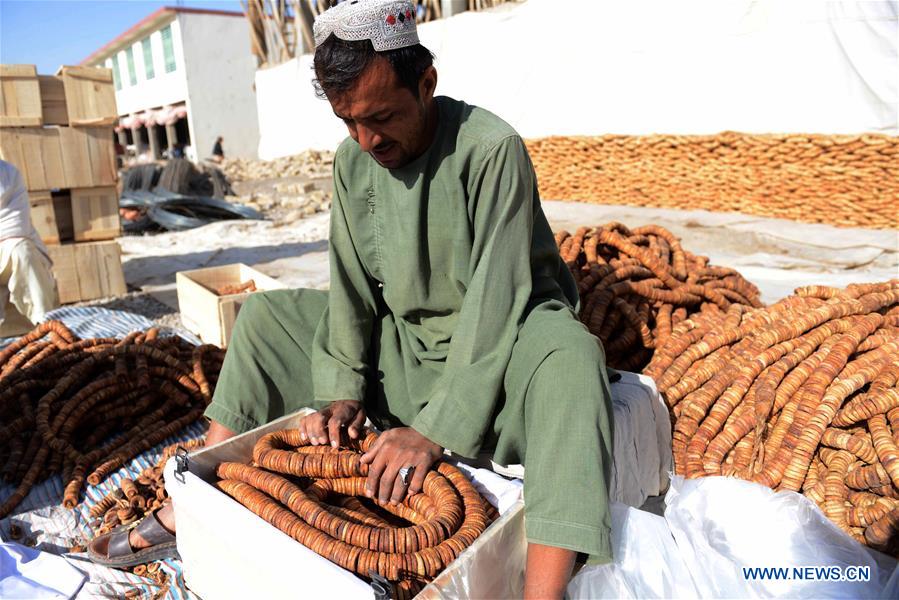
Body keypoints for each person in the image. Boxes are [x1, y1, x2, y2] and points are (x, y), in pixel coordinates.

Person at [88, 1, 614, 597]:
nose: (368, 140)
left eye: (382, 117)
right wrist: (342, 392)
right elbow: (351, 288)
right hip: (410, 352)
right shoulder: (352, 161)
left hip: (504, 354)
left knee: (573, 359)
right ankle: (191, 503)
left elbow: (498, 302)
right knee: (263, 318)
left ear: (426, 84)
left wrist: (432, 431)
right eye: (348, 122)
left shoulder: (491, 150)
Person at [0, 160, 59, 337]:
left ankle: (46, 325)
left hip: (7, 248)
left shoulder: (9, 174)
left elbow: (15, 226)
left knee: (22, 250)